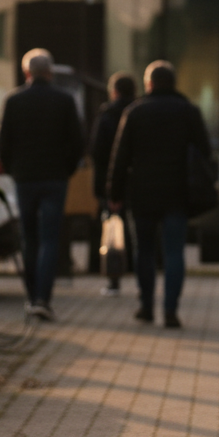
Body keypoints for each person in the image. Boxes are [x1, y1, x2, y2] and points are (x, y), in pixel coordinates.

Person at [108, 60, 210, 328]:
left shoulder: (135, 112)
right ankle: (171, 309)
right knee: (174, 251)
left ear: (149, 84)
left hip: (142, 194)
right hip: (178, 193)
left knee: (144, 251)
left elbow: (120, 158)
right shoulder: (189, 111)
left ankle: (146, 306)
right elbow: (205, 152)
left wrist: (114, 192)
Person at [0, 48, 84, 320]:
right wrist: (66, 169)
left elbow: (4, 144)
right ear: (50, 73)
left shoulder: (13, 100)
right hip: (55, 177)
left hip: (25, 178)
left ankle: (31, 295)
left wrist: (13, 170)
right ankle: (42, 299)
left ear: (27, 73)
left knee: (29, 237)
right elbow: (77, 142)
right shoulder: (64, 101)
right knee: (50, 238)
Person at [90, 72, 136, 295]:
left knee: (112, 232)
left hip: (110, 182)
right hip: (136, 182)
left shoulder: (107, 115)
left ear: (114, 91)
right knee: (137, 232)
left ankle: (114, 280)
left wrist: (106, 189)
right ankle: (142, 280)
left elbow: (97, 152)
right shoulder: (139, 113)